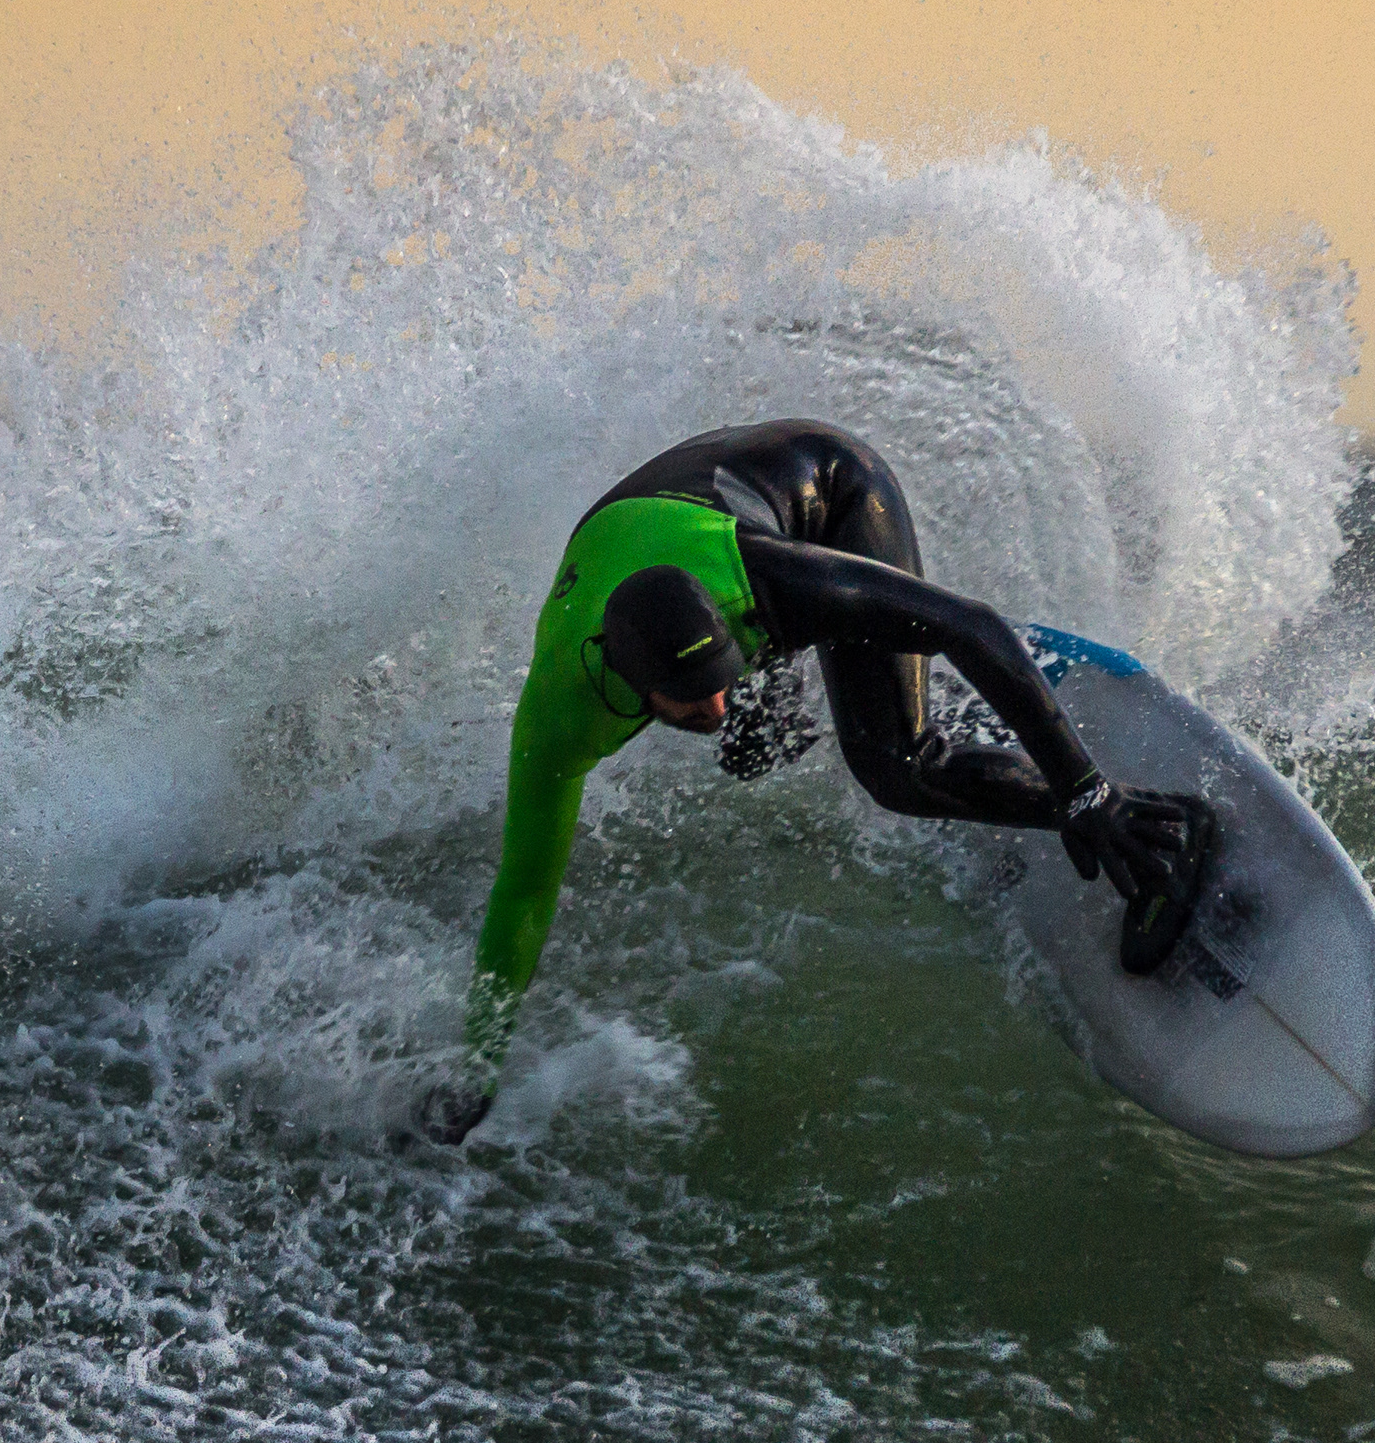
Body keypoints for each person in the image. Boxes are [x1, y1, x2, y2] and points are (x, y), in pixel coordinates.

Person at [428, 419, 1209, 1142]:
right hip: (679, 528)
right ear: (633, 685)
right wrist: (478, 1065)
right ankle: (912, 690)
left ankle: (1153, 825)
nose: (716, 705)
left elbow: (972, 624)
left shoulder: (763, 587)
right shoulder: (556, 722)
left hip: (826, 492)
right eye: (693, 699)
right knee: (753, 750)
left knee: (896, 767)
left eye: (723, 681)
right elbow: (522, 892)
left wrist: (1085, 791)